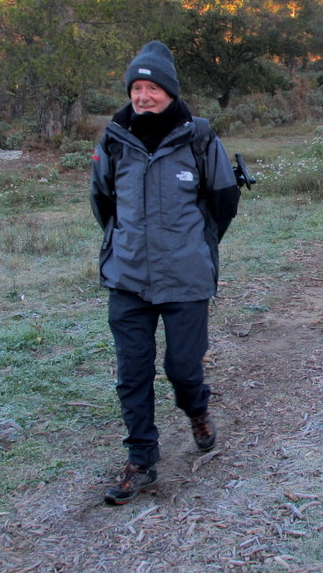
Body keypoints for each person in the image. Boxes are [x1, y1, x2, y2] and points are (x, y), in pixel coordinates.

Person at [90, 40, 241, 505]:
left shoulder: (198, 138)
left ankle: (196, 408)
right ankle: (142, 460)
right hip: (128, 277)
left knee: (181, 367)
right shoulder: (114, 139)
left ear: (170, 92)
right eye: (136, 87)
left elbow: (224, 200)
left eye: (152, 86)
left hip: (186, 277)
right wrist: (128, 245)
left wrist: (194, 246)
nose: (143, 95)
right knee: (132, 372)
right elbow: (102, 202)